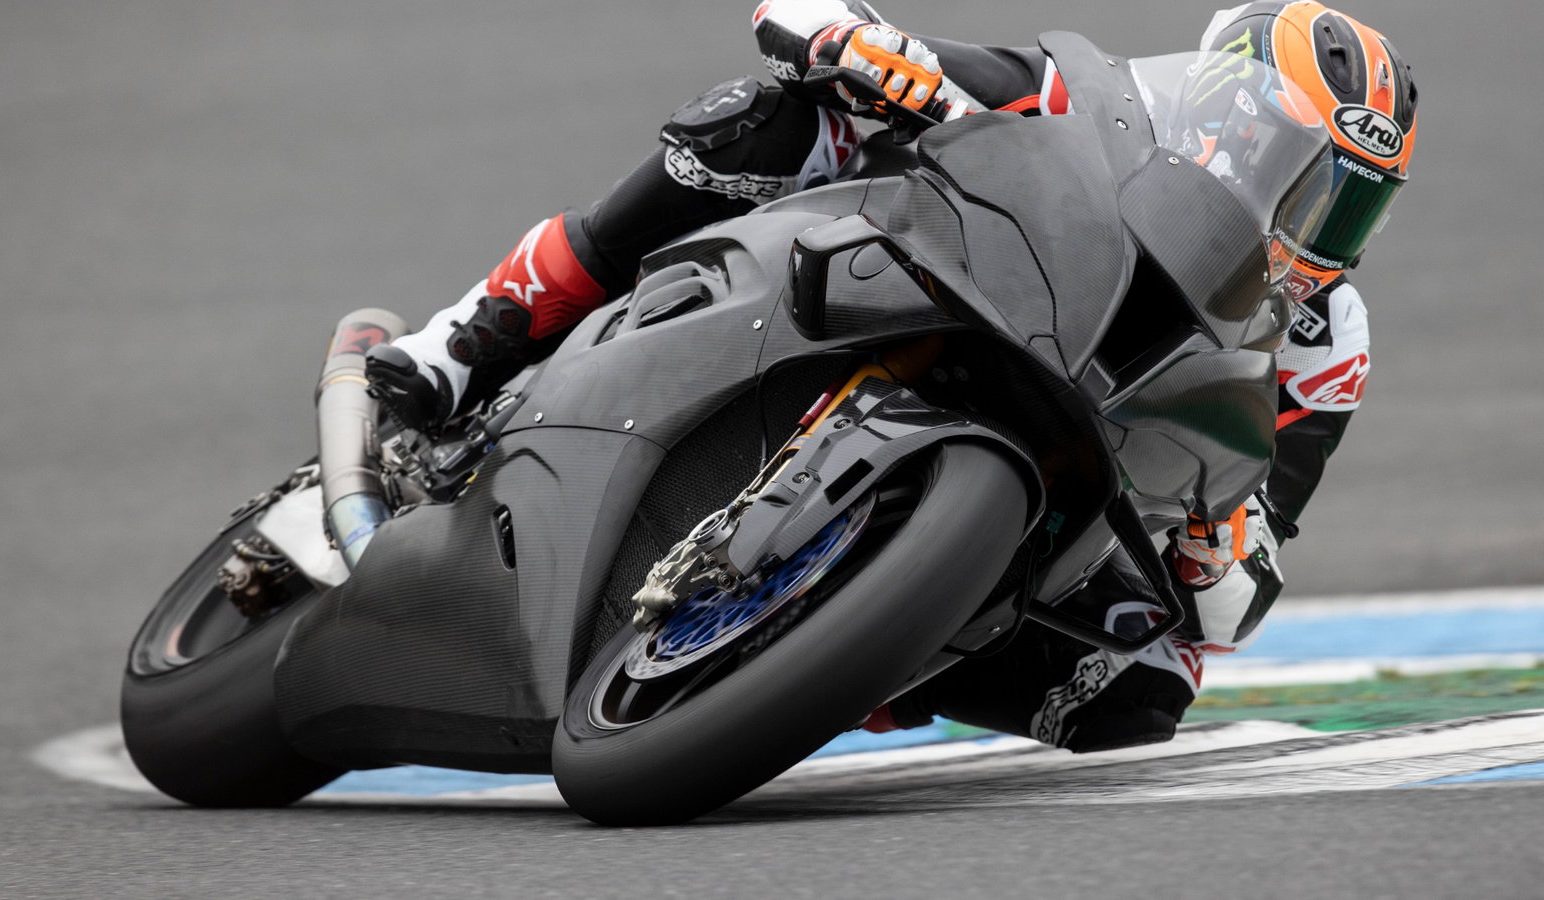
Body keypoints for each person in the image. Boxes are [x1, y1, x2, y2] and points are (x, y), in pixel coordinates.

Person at [365, 0, 1418, 752]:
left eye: (1351, 202)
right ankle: (473, 341)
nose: (1316, 220)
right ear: (1233, 113)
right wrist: (870, 51)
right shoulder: (1102, 107)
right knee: (770, 115)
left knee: (1141, 694)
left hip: (1095, 485)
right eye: (1306, 169)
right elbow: (799, 16)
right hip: (934, 288)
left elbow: (1246, 585)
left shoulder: (1328, 342)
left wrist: (1224, 533)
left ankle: (844, 665)